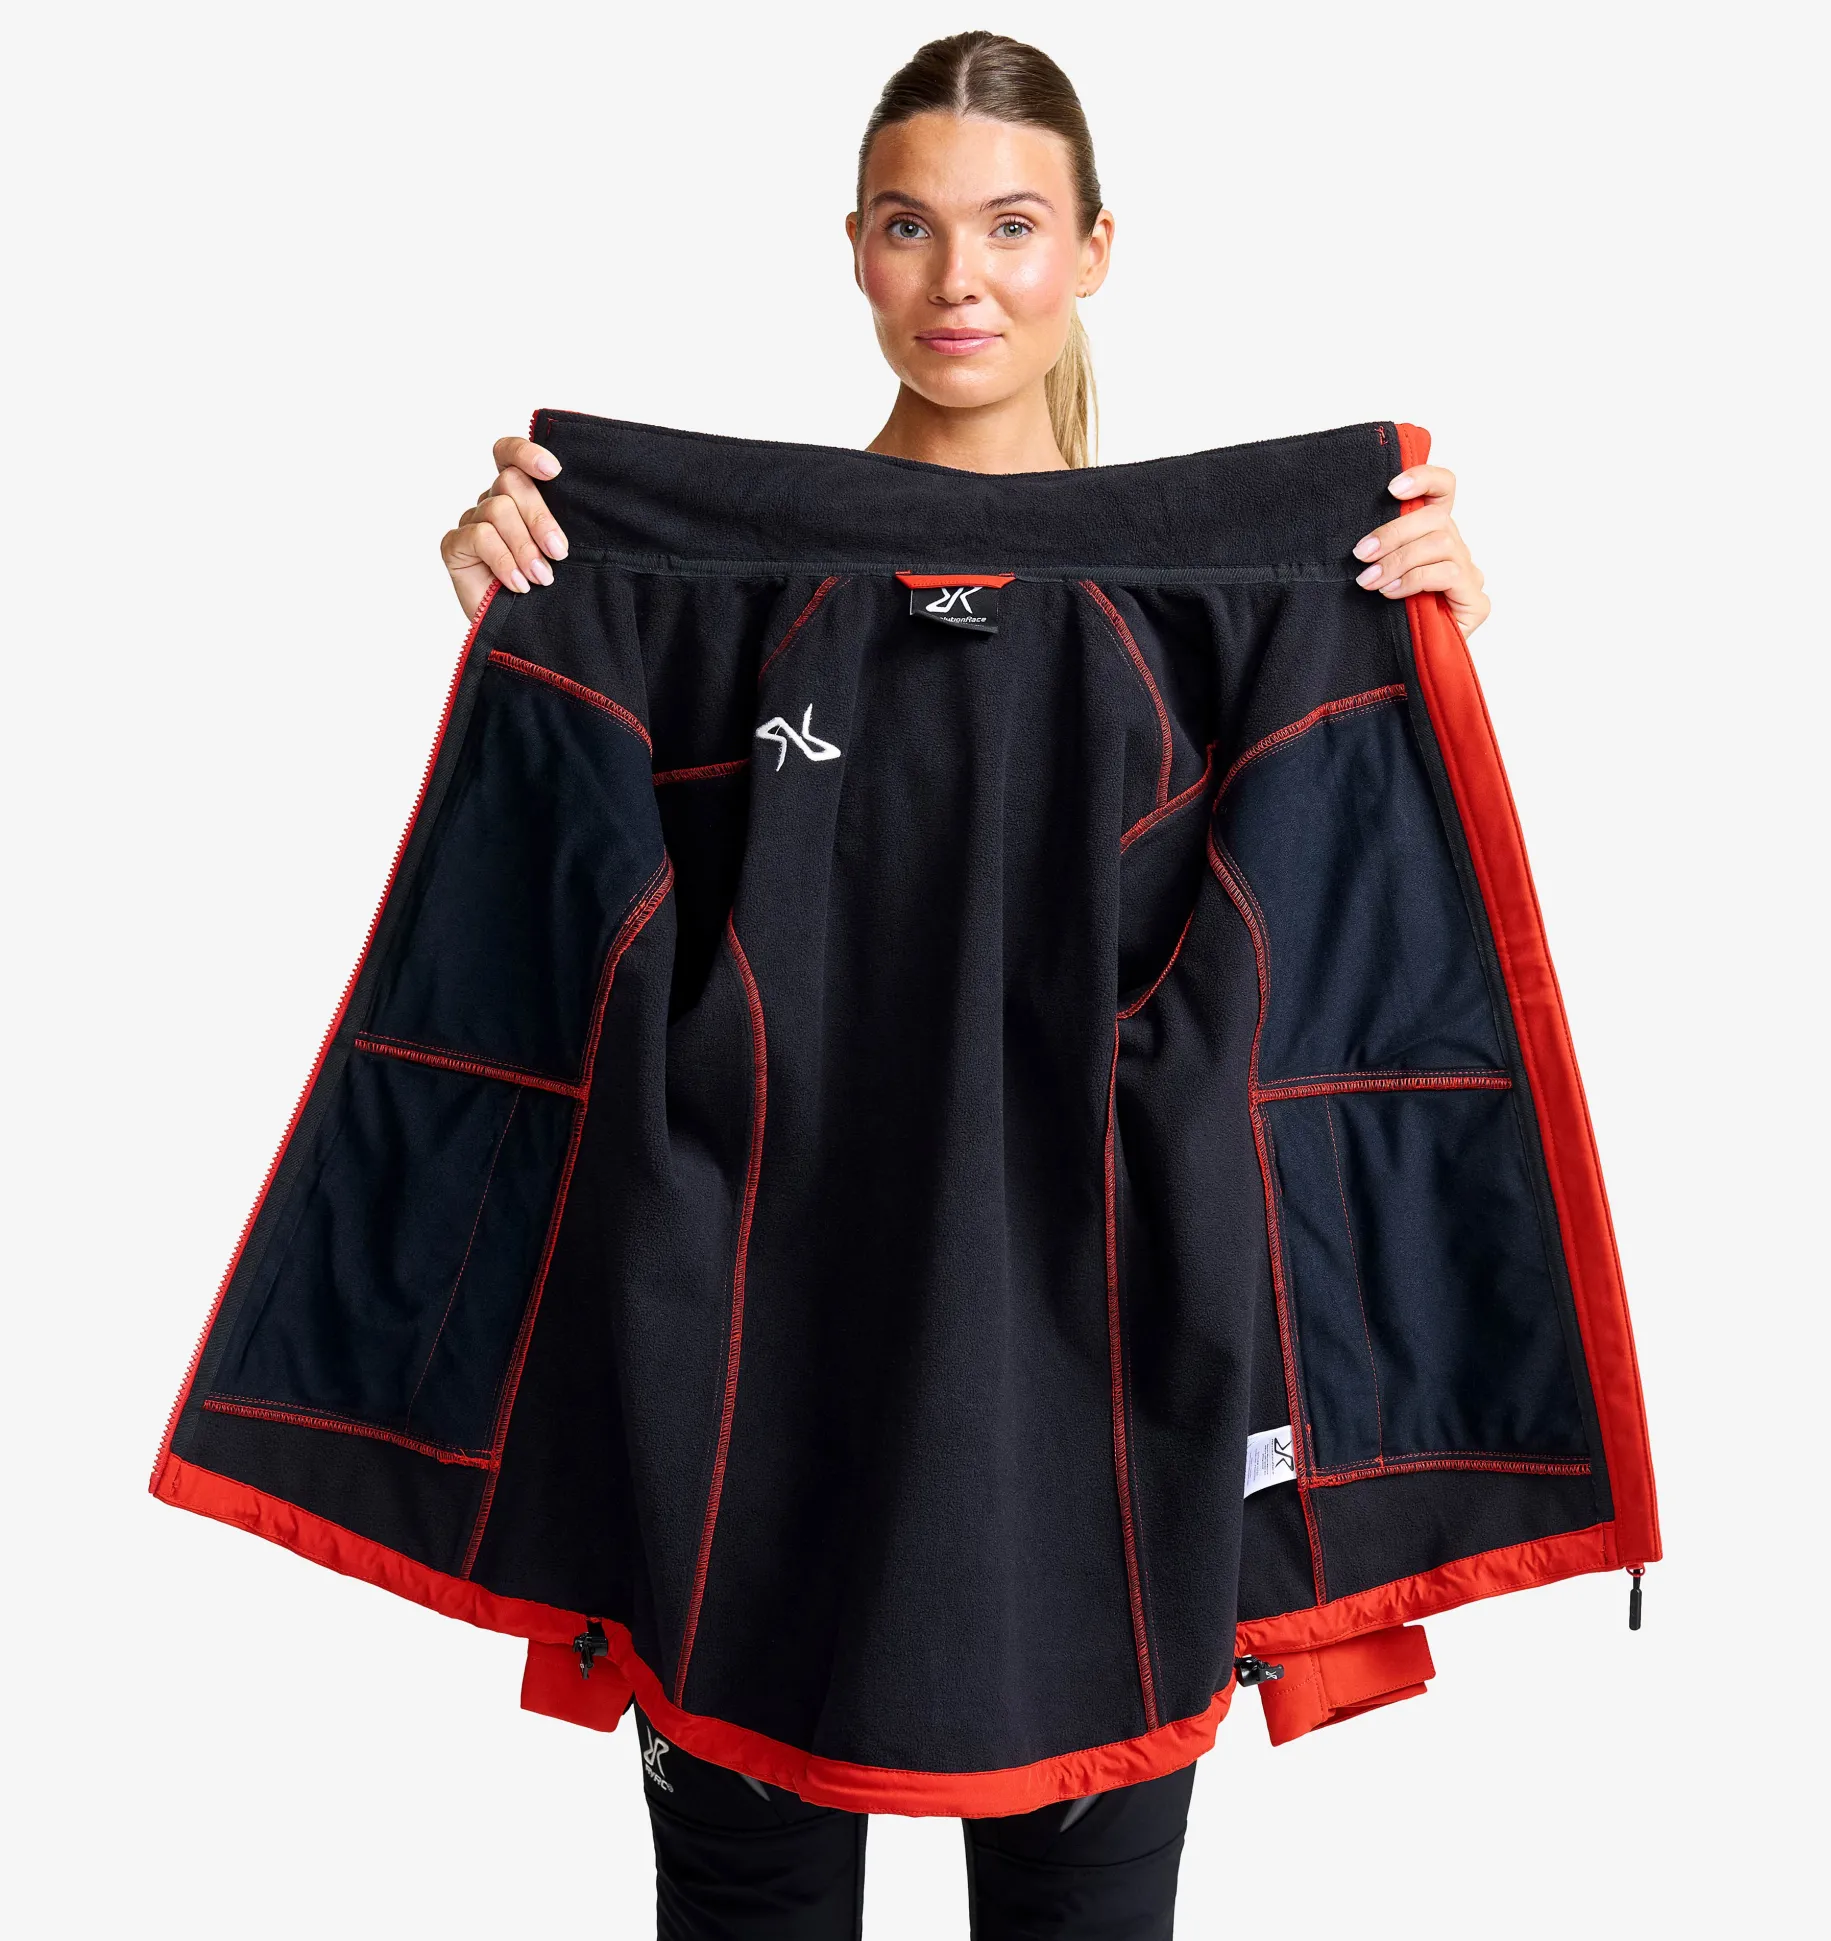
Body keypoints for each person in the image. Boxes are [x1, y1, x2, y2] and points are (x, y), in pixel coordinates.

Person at [437, 31, 1491, 1941]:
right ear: (853, 247)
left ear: (1095, 249)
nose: (959, 279)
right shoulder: (701, 593)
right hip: (755, 1359)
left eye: (1011, 225)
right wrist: (534, 594)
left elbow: (1340, 972)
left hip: (1106, 1379)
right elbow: (560, 946)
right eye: (910, 226)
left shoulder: (1237, 611)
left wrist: (1407, 650)